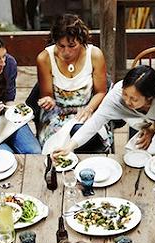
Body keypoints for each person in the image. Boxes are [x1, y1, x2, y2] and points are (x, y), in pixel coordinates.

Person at [53, 65, 155, 157]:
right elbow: (94, 123)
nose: (127, 102)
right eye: (125, 94)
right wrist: (69, 147)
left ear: (149, 98)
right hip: (141, 114)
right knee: (139, 151)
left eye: (133, 98)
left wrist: (152, 129)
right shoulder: (116, 96)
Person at [34, 14, 109, 151]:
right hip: (57, 114)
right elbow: (47, 95)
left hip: (87, 109)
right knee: (57, 148)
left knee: (86, 134)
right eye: (61, 46)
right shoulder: (44, 58)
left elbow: (101, 92)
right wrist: (48, 100)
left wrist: (89, 109)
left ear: (81, 40)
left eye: (72, 45)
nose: (66, 52)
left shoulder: (94, 55)